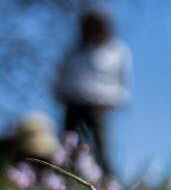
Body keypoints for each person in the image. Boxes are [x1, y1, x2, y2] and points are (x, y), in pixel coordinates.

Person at [53, 9, 131, 174]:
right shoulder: (74, 51)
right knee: (68, 145)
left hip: (99, 104)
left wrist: (118, 100)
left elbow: (123, 79)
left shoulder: (118, 50)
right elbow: (63, 74)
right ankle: (65, 177)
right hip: (73, 102)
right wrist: (59, 92)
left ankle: (106, 179)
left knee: (100, 146)